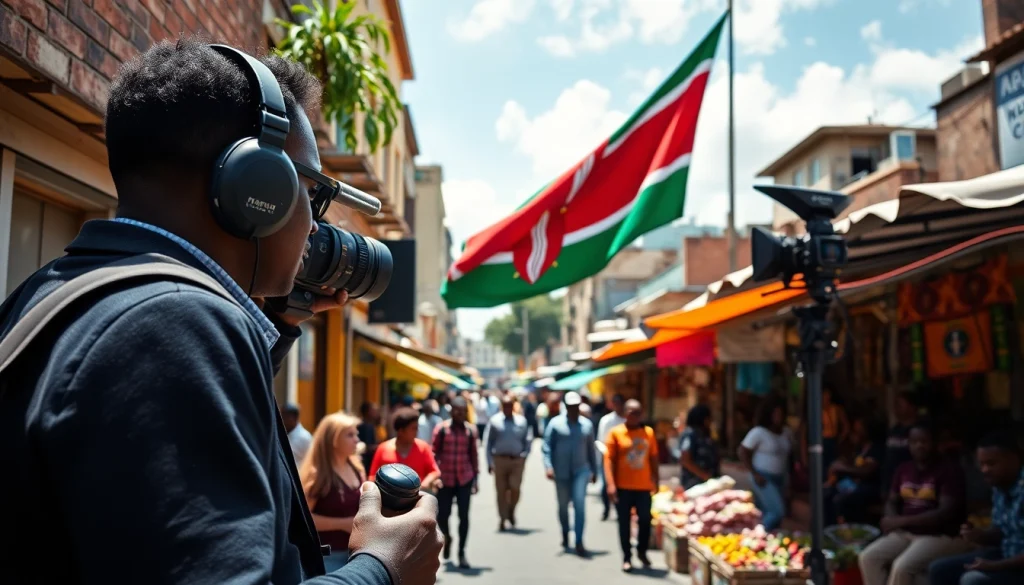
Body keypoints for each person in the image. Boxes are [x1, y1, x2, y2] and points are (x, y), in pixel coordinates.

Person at [0, 39, 443, 584]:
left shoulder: (53, 293)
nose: (315, 225)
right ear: (259, 189)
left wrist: (274, 327)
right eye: (312, 193)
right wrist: (385, 567)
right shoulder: (175, 326)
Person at [858, 422, 971, 585]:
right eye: (914, 441)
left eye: (924, 441)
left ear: (935, 443)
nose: (919, 446)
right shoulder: (904, 469)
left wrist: (901, 521)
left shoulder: (949, 470)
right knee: (868, 557)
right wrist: (891, 518)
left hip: (939, 536)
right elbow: (892, 500)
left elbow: (944, 512)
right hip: (906, 533)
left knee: (902, 567)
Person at [929, 430, 1024, 585]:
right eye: (982, 464)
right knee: (939, 569)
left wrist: (995, 566)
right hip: (1006, 555)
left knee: (972, 580)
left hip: (1017, 565)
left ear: (1014, 459)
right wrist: (978, 535)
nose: (985, 470)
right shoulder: (999, 487)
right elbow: (1002, 531)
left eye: (991, 463)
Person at [301, 413, 367, 572]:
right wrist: (343, 524)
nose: (357, 440)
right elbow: (303, 519)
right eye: (350, 435)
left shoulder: (356, 467)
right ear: (333, 439)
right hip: (329, 558)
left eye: (356, 434)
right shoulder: (317, 474)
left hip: (358, 554)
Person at [605, 400, 659, 572]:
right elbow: (608, 460)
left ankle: (642, 551)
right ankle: (626, 557)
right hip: (623, 487)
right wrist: (611, 484)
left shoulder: (648, 433)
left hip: (643, 486)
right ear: (625, 413)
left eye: (638, 413)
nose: (634, 416)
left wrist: (656, 479)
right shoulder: (616, 433)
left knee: (645, 520)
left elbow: (653, 457)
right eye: (631, 413)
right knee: (624, 523)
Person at [542, 391, 598, 556]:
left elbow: (591, 450)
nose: (573, 409)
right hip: (561, 472)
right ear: (565, 407)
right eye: (570, 406)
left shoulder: (586, 425)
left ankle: (579, 540)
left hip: (581, 470)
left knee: (580, 504)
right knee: (563, 506)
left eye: (576, 406)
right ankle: (565, 532)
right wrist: (548, 467)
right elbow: (546, 447)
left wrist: (594, 471)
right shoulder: (555, 424)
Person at [431, 398, 479, 569]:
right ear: (451, 411)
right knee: (443, 515)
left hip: (464, 479)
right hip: (446, 480)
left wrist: (476, 480)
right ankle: (448, 537)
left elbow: (474, 455)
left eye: (463, 410)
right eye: (457, 410)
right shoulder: (442, 429)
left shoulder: (470, 431)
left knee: (464, 517)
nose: (460, 413)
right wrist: (435, 476)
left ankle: (461, 552)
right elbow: (433, 453)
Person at [738, 399, 792, 530]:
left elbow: (790, 457)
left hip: (781, 477)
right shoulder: (758, 432)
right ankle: (756, 535)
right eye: (775, 414)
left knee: (765, 511)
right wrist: (754, 473)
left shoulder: (786, 432)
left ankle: (767, 540)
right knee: (777, 511)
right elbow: (742, 451)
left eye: (780, 414)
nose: (778, 417)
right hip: (763, 477)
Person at [824, 416, 885, 525]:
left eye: (859, 429)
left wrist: (842, 467)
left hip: (871, 487)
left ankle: (846, 531)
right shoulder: (860, 448)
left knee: (842, 499)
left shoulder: (877, 448)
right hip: (855, 485)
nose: (856, 432)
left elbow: (866, 471)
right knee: (827, 493)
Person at [485, 394, 531, 531]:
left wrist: (524, 455)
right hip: (500, 460)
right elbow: (488, 442)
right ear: (501, 407)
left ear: (513, 406)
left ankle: (511, 510)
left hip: (517, 461)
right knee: (501, 491)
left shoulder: (521, 421)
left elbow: (527, 440)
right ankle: (503, 517)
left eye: (509, 406)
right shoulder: (495, 421)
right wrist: (489, 462)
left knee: (515, 488)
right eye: (505, 406)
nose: (507, 408)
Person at [369, 407, 442, 491]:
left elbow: (434, 471)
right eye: (413, 428)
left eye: (417, 428)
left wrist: (424, 485)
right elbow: (372, 476)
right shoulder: (383, 448)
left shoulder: (423, 447)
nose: (417, 431)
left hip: (417, 498)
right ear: (401, 431)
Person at [882, 392, 921, 497]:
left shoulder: (920, 431)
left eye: (900, 404)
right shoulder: (893, 431)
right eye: (895, 405)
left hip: (912, 485)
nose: (896, 408)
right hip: (890, 485)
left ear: (912, 407)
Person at [597, 394, 627, 521]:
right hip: (608, 457)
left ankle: (620, 510)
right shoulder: (606, 421)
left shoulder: (626, 420)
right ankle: (606, 509)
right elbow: (601, 440)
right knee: (606, 485)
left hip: (623, 460)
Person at [679, 404, 720, 490]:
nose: (710, 421)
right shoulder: (690, 434)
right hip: (694, 484)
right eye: (708, 418)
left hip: (710, 484)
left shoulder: (705, 434)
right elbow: (685, 460)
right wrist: (705, 476)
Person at [821, 387, 850, 479]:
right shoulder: (817, 410)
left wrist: (841, 438)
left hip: (833, 440)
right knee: (823, 466)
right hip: (823, 441)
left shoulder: (836, 409)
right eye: (824, 395)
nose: (826, 397)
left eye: (827, 394)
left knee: (834, 466)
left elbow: (846, 425)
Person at [358, 402, 382, 472]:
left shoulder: (371, 425)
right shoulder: (364, 426)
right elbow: (367, 446)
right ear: (367, 412)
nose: (376, 412)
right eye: (373, 410)